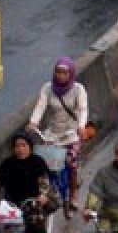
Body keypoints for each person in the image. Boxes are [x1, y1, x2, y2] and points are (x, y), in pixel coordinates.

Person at [27, 57, 88, 217]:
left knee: (71, 162)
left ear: (71, 74)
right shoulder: (47, 88)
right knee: (41, 163)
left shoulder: (78, 89)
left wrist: (81, 126)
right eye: (58, 72)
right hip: (52, 134)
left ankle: (73, 193)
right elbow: (40, 106)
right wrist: (33, 122)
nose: (61, 76)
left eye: (64, 73)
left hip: (71, 134)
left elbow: (83, 109)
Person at [0, 132, 58, 231]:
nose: (20, 149)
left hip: (33, 205)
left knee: (35, 227)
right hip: (12, 206)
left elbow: (44, 182)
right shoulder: (7, 164)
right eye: (17, 146)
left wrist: (43, 195)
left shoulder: (37, 162)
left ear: (30, 146)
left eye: (23, 145)